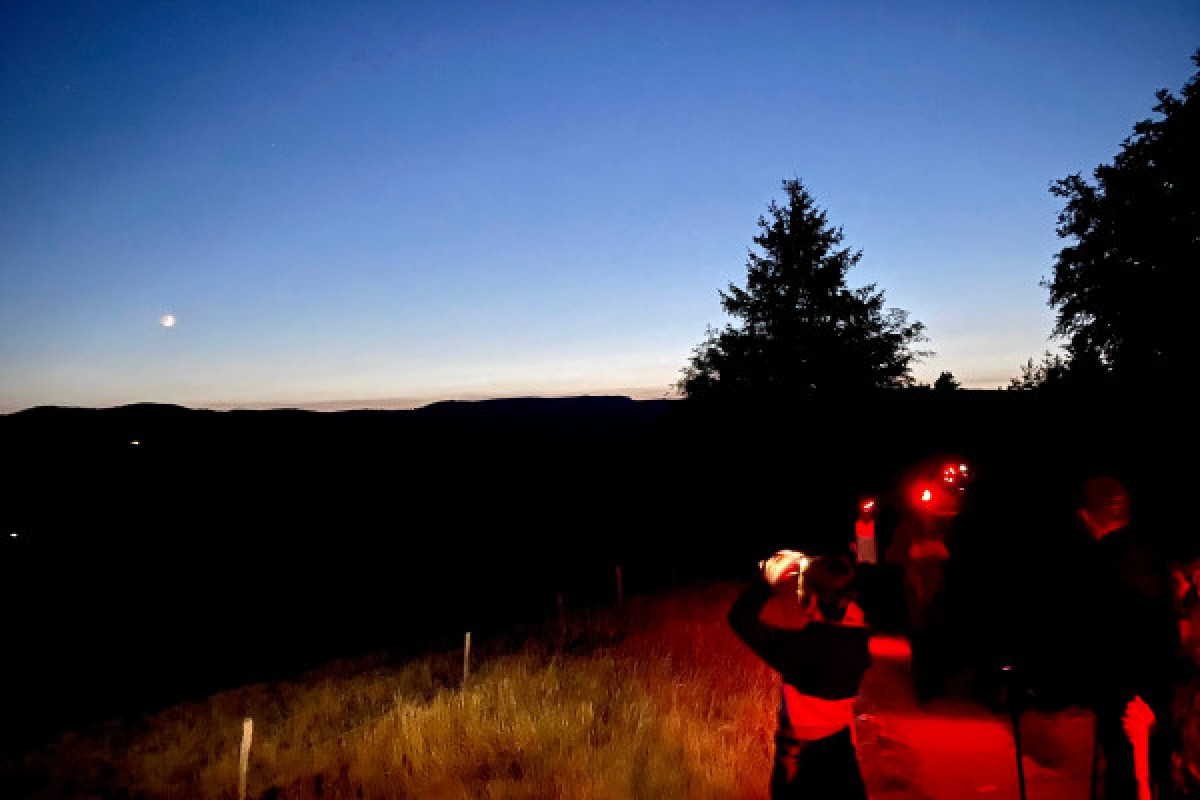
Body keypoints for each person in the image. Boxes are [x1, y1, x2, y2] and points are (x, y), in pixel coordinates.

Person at [1066, 475, 1184, 800]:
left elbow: (1091, 635)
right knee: (1152, 775)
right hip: (1157, 690)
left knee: (1128, 777)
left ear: (1086, 516)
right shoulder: (1151, 557)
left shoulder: (1101, 564)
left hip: (1124, 694)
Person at [727, 549, 873, 799]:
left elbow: (740, 619)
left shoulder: (797, 649)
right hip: (842, 757)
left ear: (811, 601)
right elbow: (846, 611)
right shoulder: (857, 643)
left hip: (800, 761)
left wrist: (765, 581)